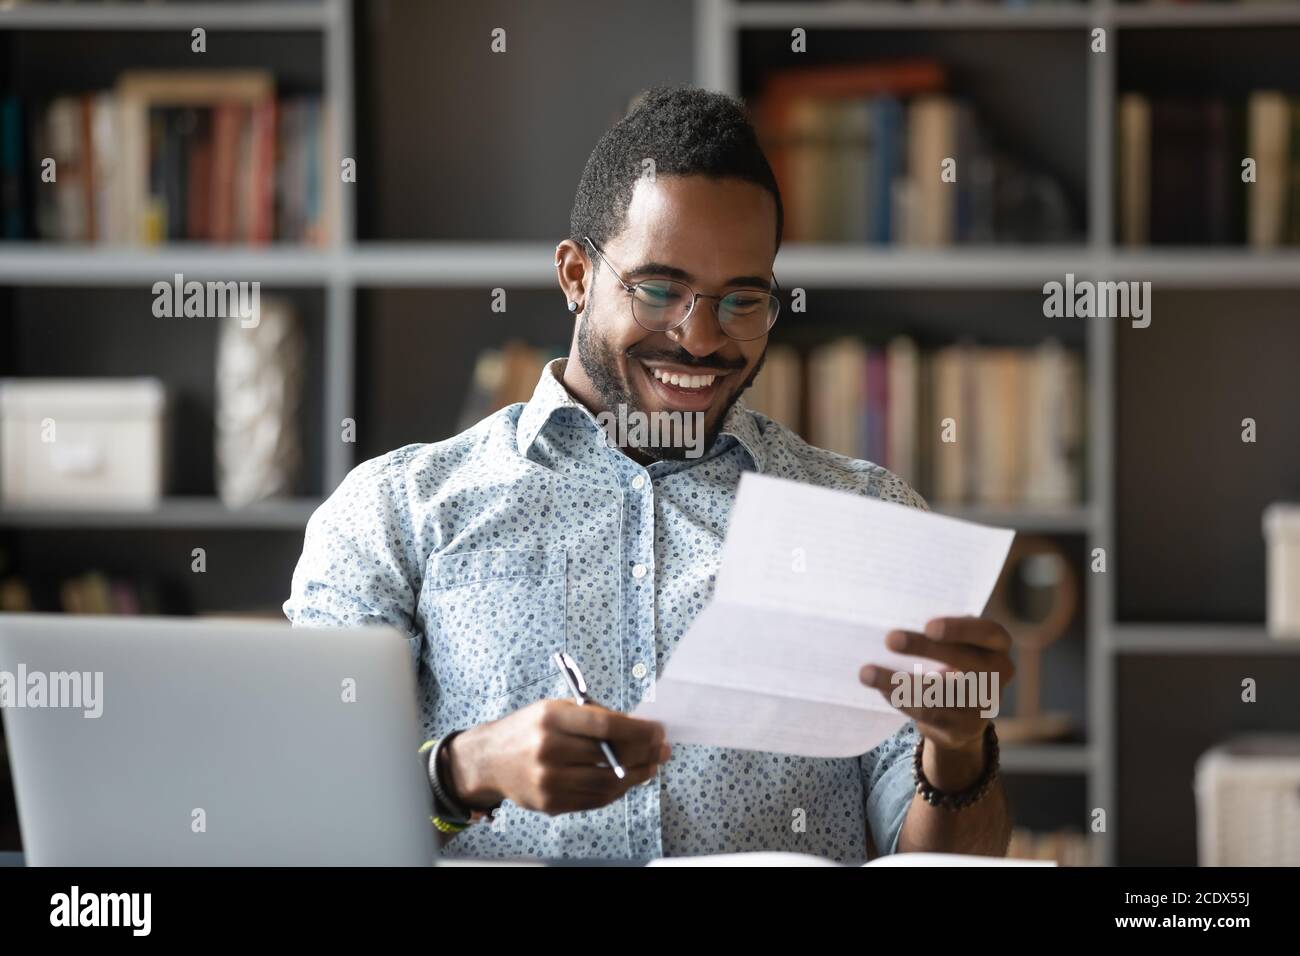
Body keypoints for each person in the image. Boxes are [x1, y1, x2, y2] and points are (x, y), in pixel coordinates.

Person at [284, 86, 1013, 862]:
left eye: (741, 300)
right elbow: (305, 808)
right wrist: (470, 769)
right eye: (660, 289)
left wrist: (958, 748)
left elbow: (946, 858)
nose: (700, 339)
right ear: (574, 275)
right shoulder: (395, 512)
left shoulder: (862, 515)